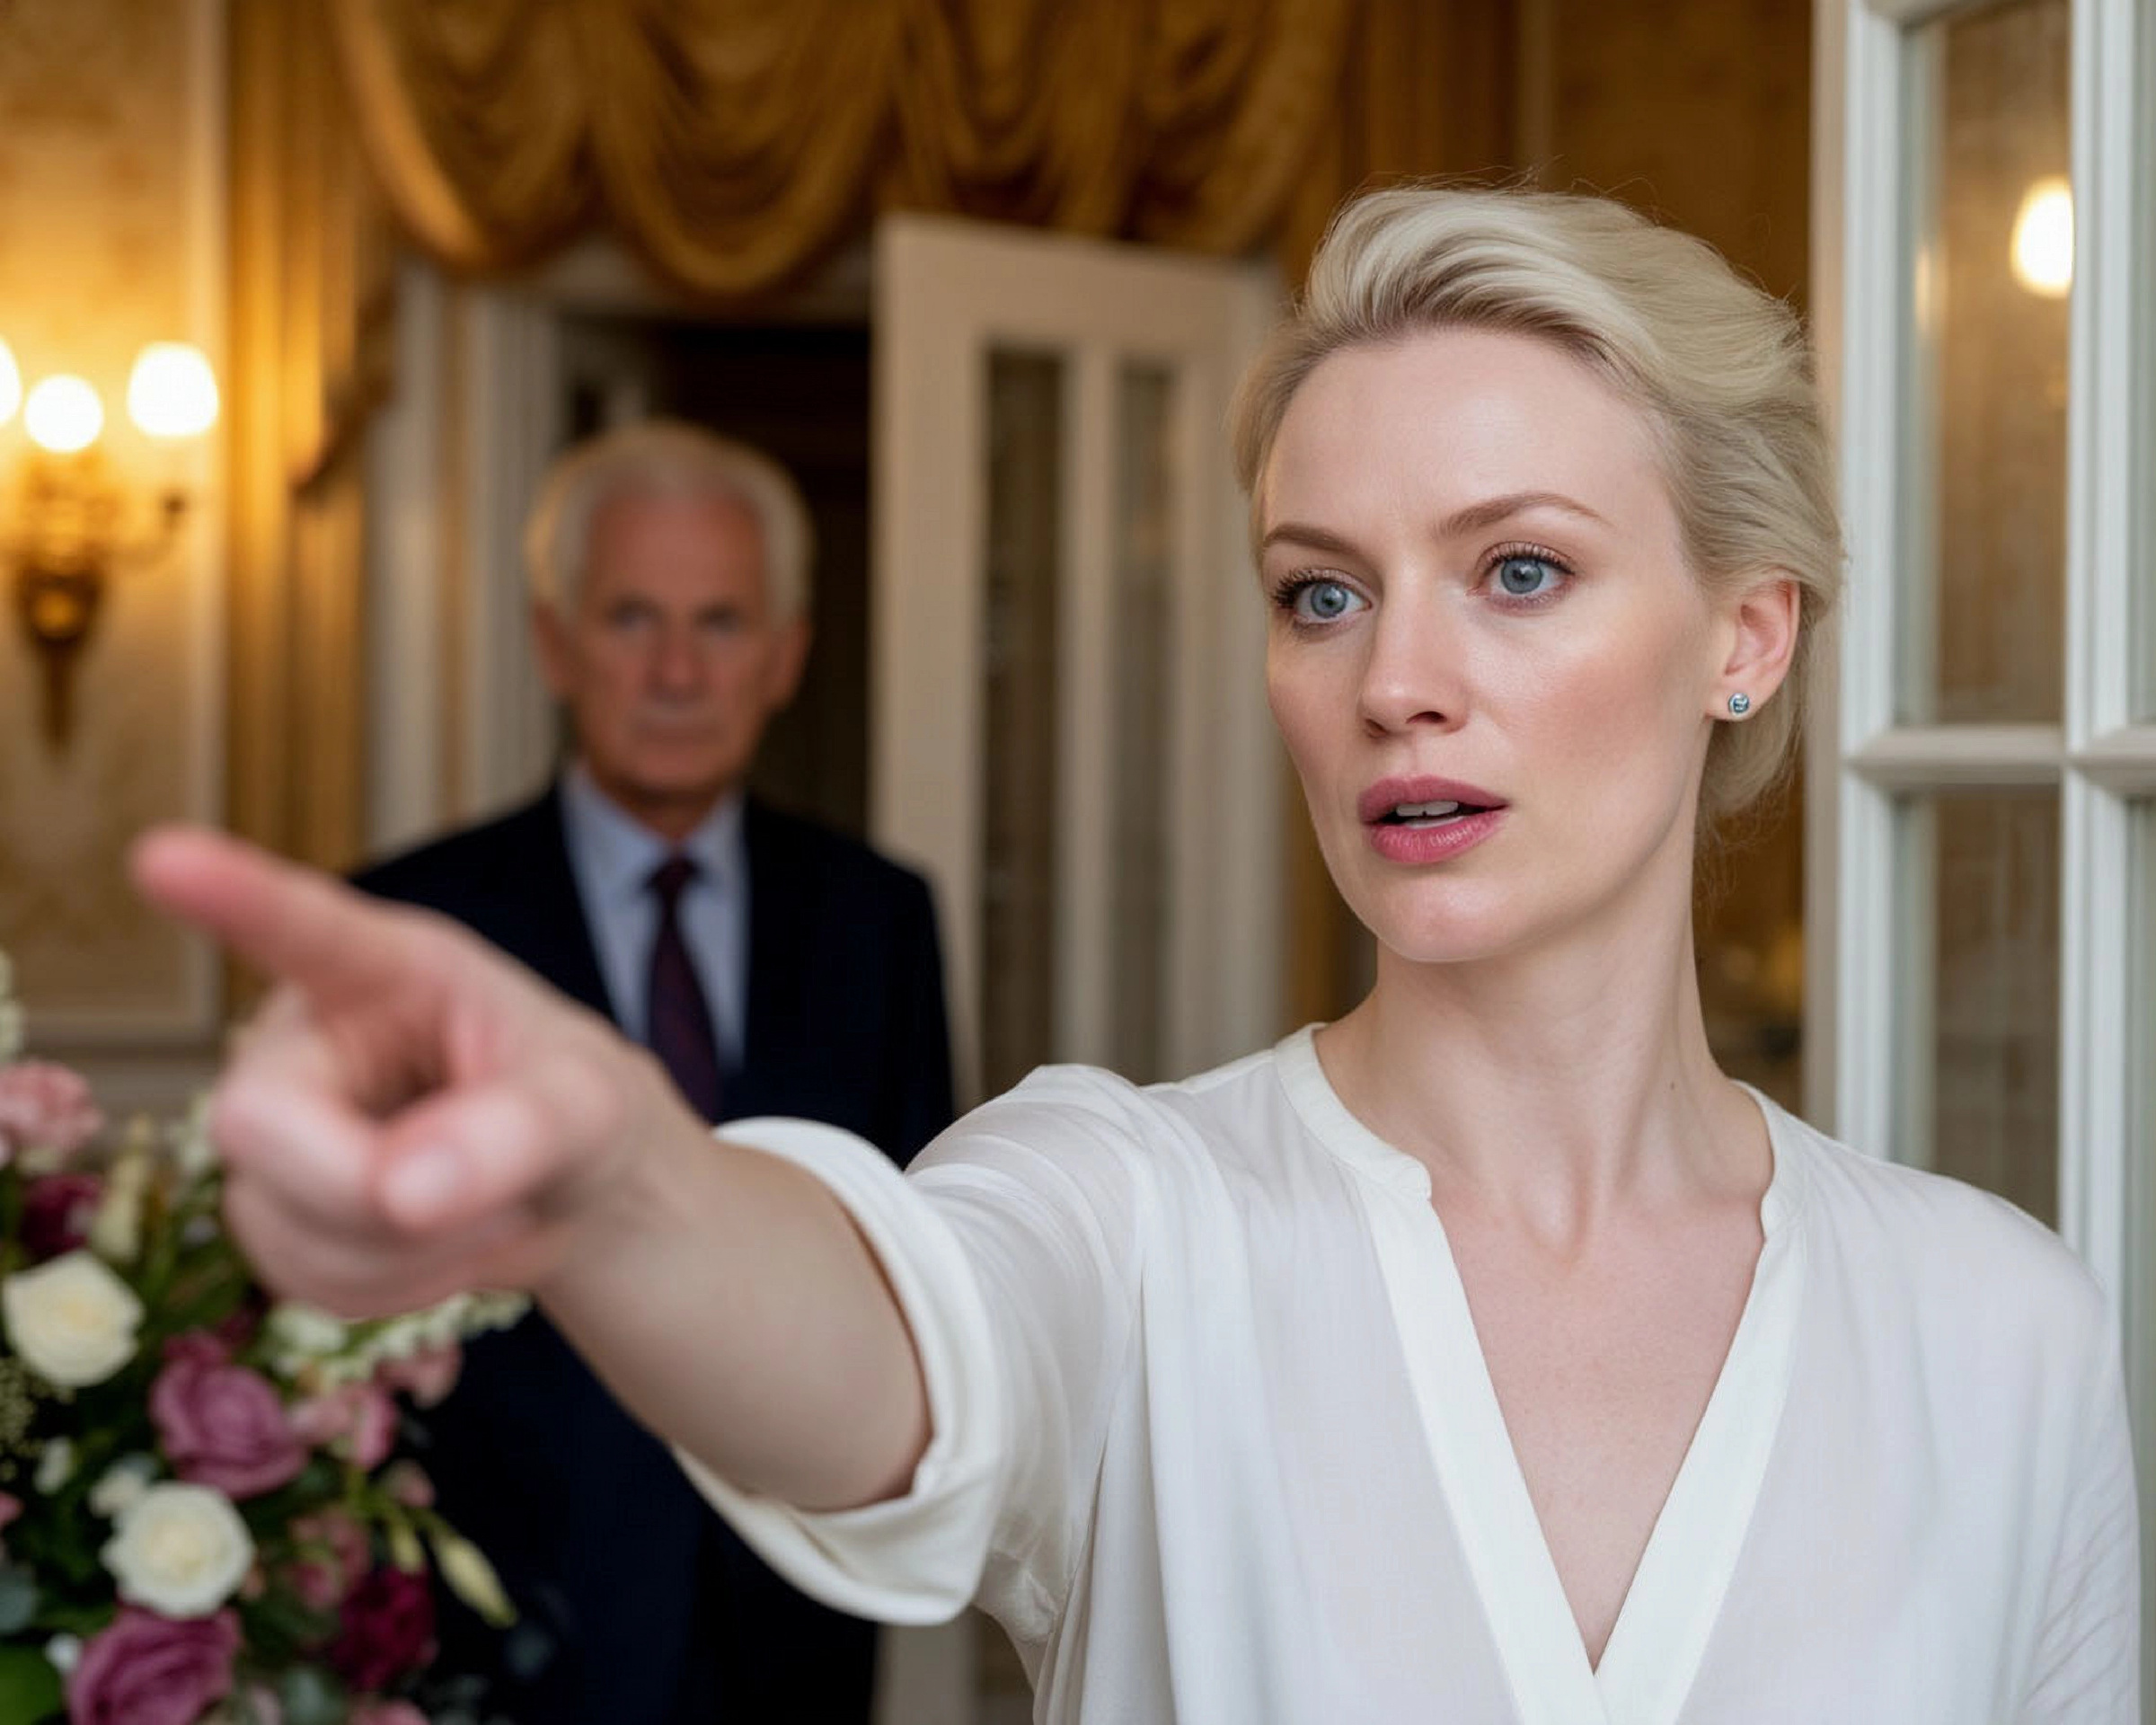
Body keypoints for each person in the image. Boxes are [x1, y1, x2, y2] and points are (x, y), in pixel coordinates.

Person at [135, 186, 2137, 1724]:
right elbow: (895, 1344)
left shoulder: (2000, 1333)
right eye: (1321, 594)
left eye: (1518, 570)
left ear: (1746, 637)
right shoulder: (1132, 1211)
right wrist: (612, 1182)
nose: (1396, 681)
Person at [349, 422, 954, 1722]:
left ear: (785, 656)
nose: (677, 671)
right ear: (554, 643)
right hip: (498, 1616)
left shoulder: (879, 920)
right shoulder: (413, 930)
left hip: (797, 1600)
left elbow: (916, 1261)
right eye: (632, 618)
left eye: (721, 623)